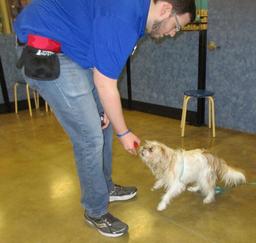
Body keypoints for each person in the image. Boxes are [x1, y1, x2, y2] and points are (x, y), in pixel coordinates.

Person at [14, 0, 196, 238]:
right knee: (90, 137)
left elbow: (100, 58)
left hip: (70, 47)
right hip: (44, 47)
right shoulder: (125, 16)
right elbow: (105, 83)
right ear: (165, 9)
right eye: (176, 27)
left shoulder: (138, 17)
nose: (172, 34)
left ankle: (105, 187)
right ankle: (96, 210)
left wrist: (107, 114)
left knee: (104, 122)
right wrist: (124, 133)